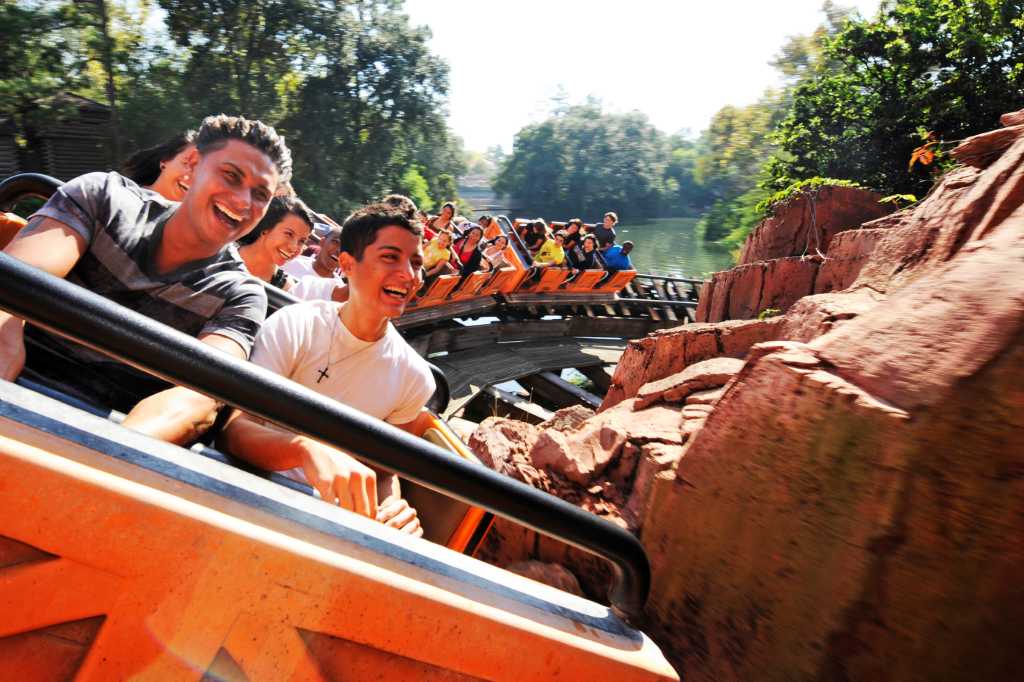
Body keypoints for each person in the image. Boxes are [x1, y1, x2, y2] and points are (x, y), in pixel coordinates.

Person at [0, 114, 291, 445]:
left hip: (117, 430)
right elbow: (11, 294)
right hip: (18, 387)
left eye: (260, 194)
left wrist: (106, 454)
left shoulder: (241, 294)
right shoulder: (104, 197)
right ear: (193, 164)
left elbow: (197, 398)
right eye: (231, 176)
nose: (242, 201)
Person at [220, 202, 433, 533]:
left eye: (416, 262)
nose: (409, 275)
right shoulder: (297, 325)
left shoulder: (415, 378)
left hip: (327, 523)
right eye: (391, 257)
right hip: (247, 493)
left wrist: (392, 507)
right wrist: (303, 451)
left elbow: (383, 469)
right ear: (347, 264)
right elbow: (235, 432)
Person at [237, 196, 314, 290]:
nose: (294, 247)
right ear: (266, 228)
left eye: (302, 241)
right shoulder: (220, 252)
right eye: (289, 234)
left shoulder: (287, 289)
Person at [121, 130, 197, 202]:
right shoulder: (119, 196)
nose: (193, 177)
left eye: (204, 173)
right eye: (186, 164)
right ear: (165, 161)